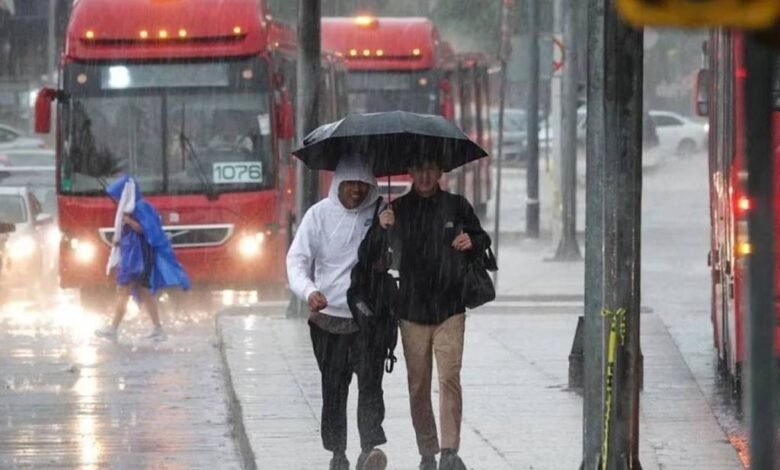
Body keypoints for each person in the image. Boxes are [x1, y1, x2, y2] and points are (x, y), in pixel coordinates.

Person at [360, 157, 490, 470]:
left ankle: (449, 451)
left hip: (450, 309)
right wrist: (382, 227)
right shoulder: (397, 209)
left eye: (431, 169)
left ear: (441, 172)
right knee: (418, 385)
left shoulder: (457, 205)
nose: (425, 175)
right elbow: (369, 254)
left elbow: (483, 239)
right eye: (418, 169)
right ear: (411, 172)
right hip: (412, 311)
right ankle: (427, 451)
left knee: (449, 378)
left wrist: (472, 240)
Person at [286, 155, 389, 470]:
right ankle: (338, 453)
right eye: (350, 184)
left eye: (363, 185)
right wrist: (309, 291)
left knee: (370, 385)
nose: (357, 191)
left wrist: (388, 232)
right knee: (333, 388)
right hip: (328, 320)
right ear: (338, 185)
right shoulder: (318, 216)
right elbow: (297, 260)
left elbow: (395, 258)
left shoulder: (381, 214)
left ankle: (370, 447)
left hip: (368, 320)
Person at [95, 175, 191, 341]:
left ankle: (113, 328)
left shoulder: (141, 208)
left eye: (118, 197)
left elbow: (148, 231)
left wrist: (128, 222)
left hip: (139, 257)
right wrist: (118, 241)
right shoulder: (129, 209)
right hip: (132, 256)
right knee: (144, 291)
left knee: (123, 290)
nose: (117, 201)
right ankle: (157, 328)